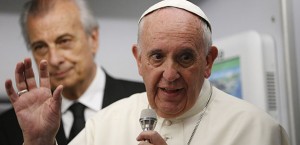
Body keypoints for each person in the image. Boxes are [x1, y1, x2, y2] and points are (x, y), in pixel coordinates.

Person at [4, 0, 290, 145]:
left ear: (208, 61)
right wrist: (40, 143)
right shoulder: (101, 127)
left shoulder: (259, 131)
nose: (169, 74)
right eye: (156, 56)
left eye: (185, 57)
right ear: (138, 60)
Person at [0, 0, 145, 145]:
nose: (54, 59)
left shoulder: (148, 101)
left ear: (93, 39)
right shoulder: (11, 127)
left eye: (64, 41)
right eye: (40, 46)